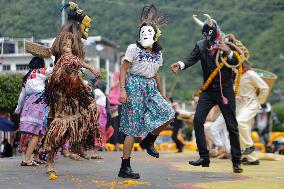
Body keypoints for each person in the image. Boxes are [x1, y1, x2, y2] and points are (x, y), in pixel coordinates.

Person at [171, 14, 244, 173]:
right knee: (197, 120)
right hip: (208, 90)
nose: (208, 39)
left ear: (215, 31)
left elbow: (237, 62)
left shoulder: (228, 43)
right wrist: (180, 64)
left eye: (210, 34)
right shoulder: (201, 45)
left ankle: (237, 161)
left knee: (232, 125)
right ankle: (204, 156)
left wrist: (228, 52)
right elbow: (191, 58)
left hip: (225, 89)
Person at [39, 2, 101, 178]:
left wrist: (82, 81)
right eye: (86, 25)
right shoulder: (68, 36)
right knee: (59, 124)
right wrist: (91, 68)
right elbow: (67, 59)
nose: (87, 29)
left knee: (90, 111)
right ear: (78, 25)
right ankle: (50, 161)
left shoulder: (74, 39)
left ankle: (76, 144)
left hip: (73, 85)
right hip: (62, 89)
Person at [118, 5, 175, 179]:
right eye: (143, 32)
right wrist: (122, 90)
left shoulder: (158, 53)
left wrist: (161, 92)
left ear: (155, 35)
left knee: (169, 112)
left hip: (150, 86)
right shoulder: (133, 48)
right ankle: (125, 167)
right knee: (132, 128)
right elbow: (123, 69)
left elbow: (156, 72)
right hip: (134, 85)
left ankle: (149, 140)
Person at [14, 57, 52, 166]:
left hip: (28, 105)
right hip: (39, 104)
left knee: (36, 134)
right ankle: (27, 159)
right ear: (41, 64)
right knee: (37, 134)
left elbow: (22, 95)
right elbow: (53, 69)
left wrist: (17, 109)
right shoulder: (41, 71)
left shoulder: (27, 77)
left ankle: (32, 157)